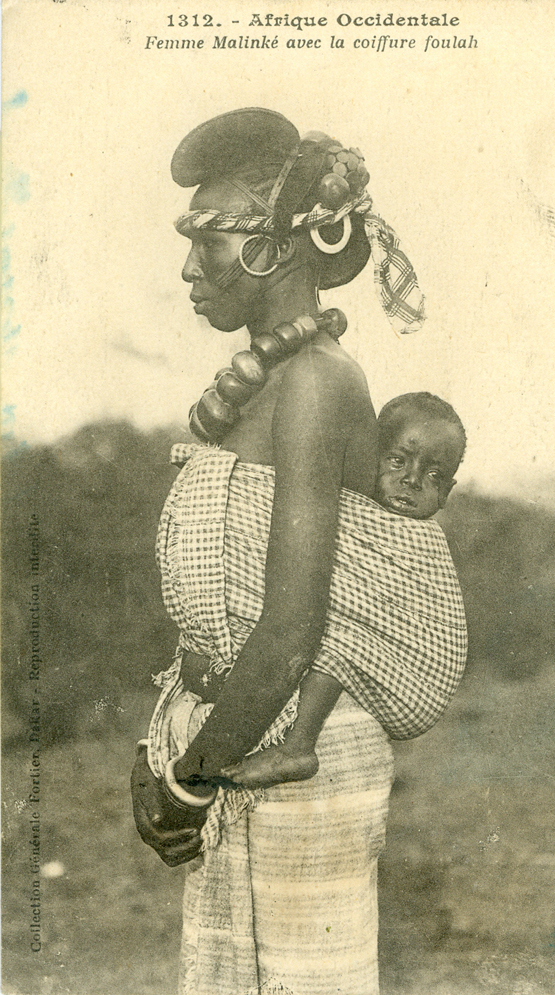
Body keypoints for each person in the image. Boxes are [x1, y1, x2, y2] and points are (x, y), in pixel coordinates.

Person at [130, 108, 466, 995]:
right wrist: (170, 749)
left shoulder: (317, 384)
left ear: (272, 252)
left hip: (283, 751)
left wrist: (193, 778)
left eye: (208, 240)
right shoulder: (264, 381)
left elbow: (286, 629)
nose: (188, 267)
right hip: (237, 731)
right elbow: (228, 612)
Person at [222, 391, 466, 790]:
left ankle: (299, 745)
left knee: (339, 639)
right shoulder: (348, 509)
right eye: (397, 461)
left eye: (434, 475)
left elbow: (396, 616)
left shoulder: (423, 542)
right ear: (370, 457)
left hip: (395, 671)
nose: (412, 480)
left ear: (447, 492)